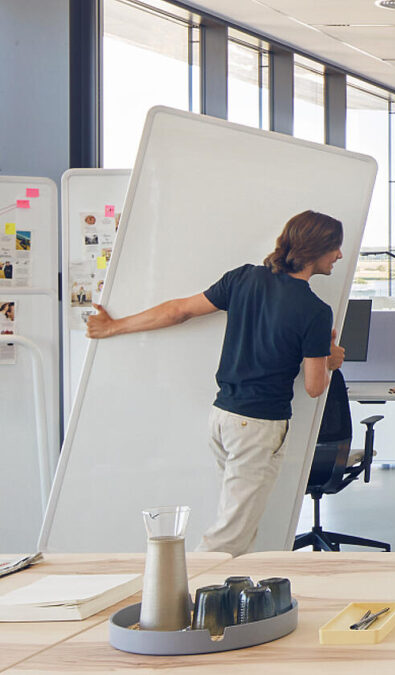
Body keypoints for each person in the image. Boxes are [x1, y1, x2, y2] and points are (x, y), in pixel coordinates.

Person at [86, 210, 346, 556]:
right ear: (317, 249)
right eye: (336, 248)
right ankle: (180, 600)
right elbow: (315, 386)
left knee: (242, 527)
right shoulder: (315, 310)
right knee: (227, 538)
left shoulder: (243, 279)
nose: (340, 256)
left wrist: (113, 326)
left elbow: (179, 310)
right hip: (259, 426)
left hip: (223, 418)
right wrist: (331, 358)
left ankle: (236, 603)